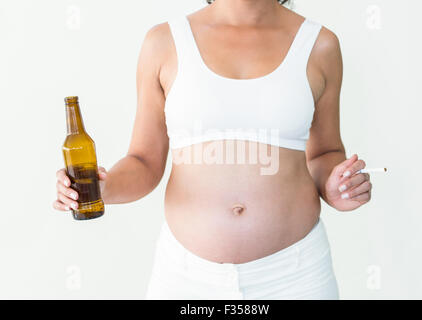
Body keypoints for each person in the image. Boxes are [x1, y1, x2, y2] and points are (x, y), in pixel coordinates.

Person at [54, 0, 372, 299]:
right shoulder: (163, 42)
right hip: (185, 279)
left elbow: (325, 152)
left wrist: (336, 186)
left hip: (295, 276)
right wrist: (101, 187)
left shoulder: (321, 45)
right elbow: (143, 161)